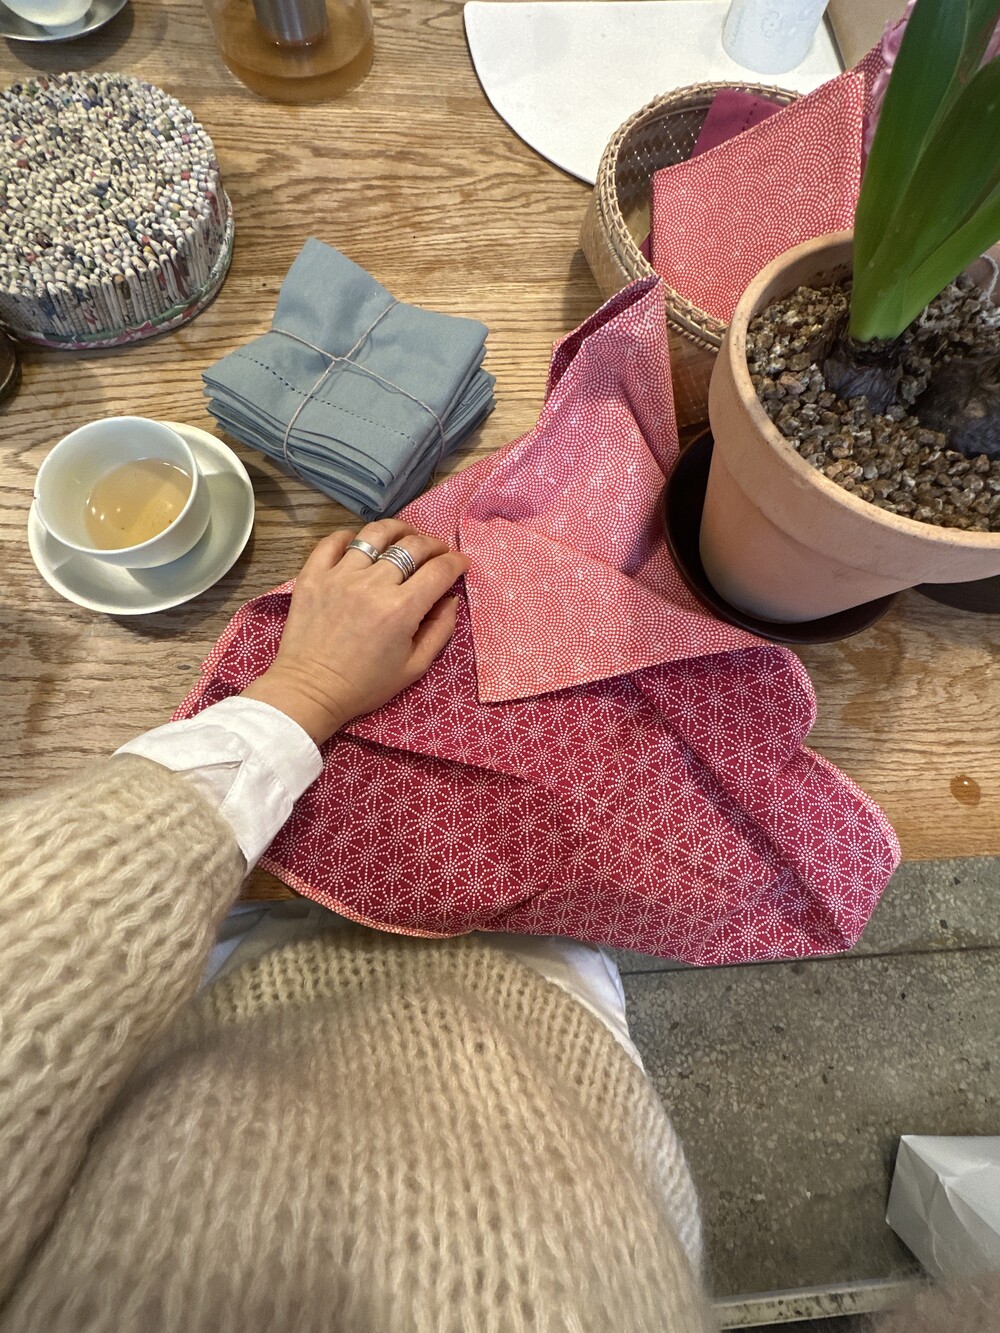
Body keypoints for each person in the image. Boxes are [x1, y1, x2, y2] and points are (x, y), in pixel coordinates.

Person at [0, 521, 990, 1332]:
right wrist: (306, 693)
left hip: (234, 1004)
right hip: (554, 1037)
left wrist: (306, 693)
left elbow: (37, 965)